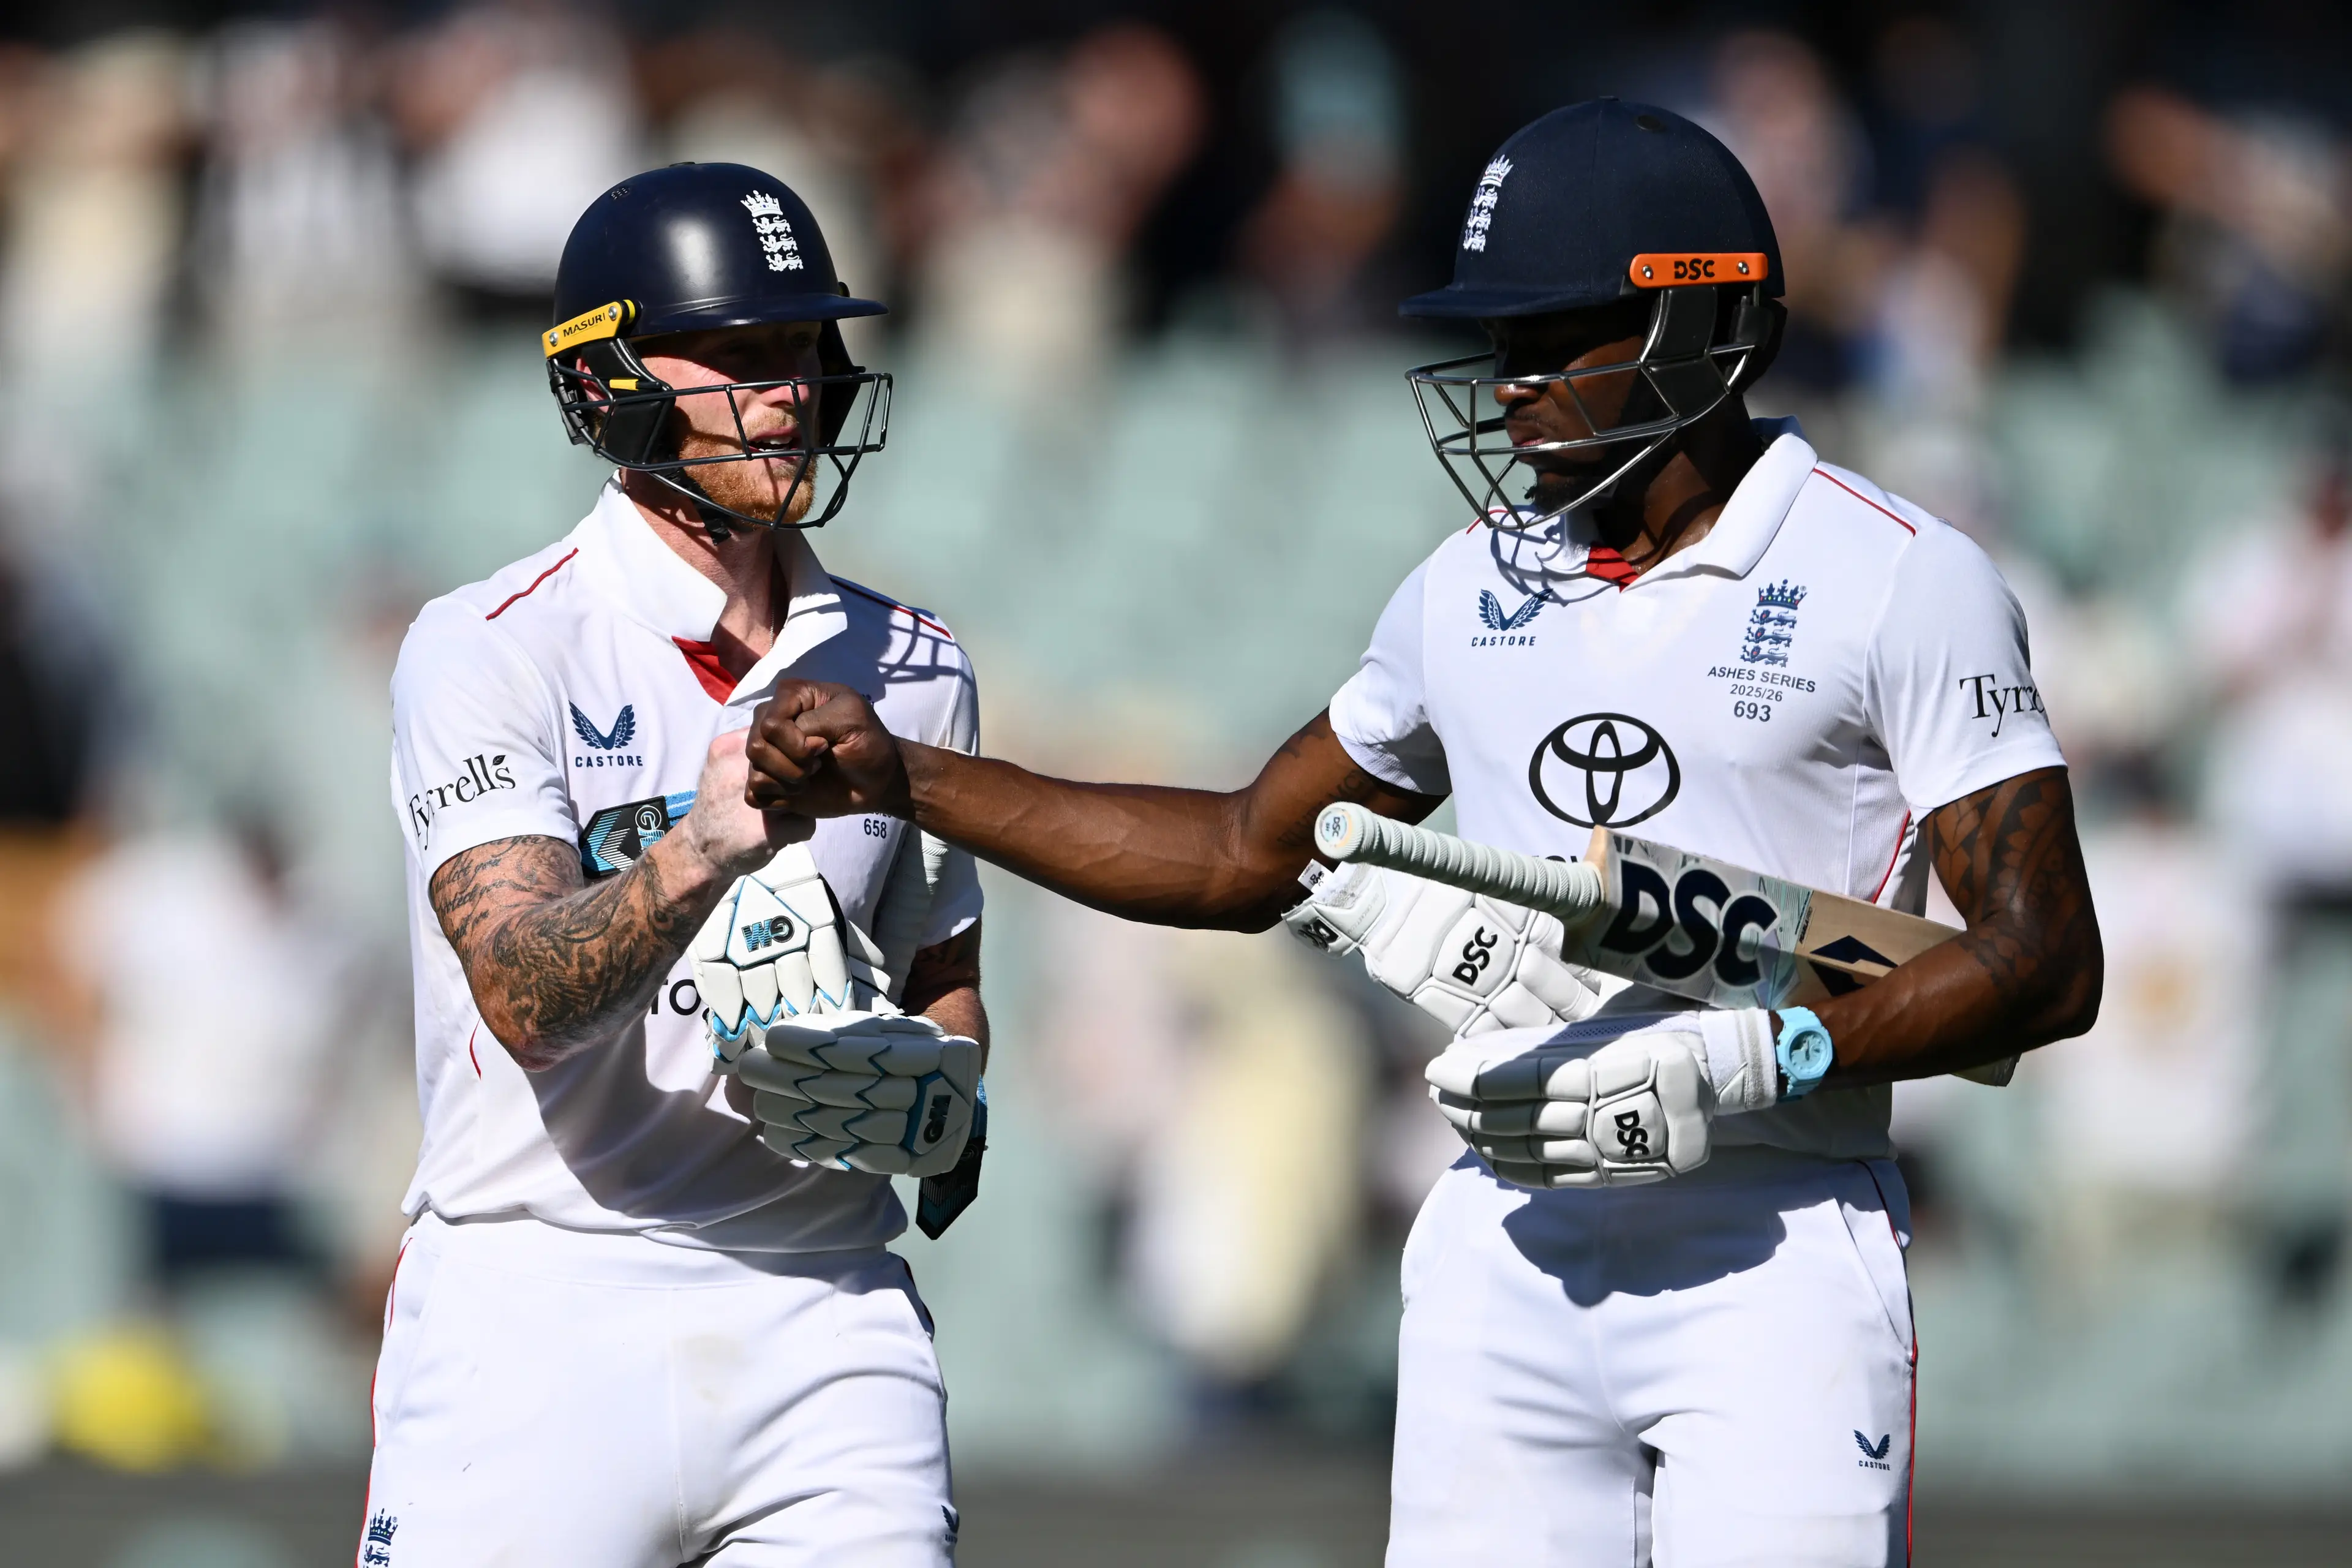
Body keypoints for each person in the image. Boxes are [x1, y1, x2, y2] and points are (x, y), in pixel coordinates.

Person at [742, 102, 2103, 1567]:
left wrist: (1750, 1056)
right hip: (1505, 1237)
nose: (1508, 383)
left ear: (1707, 322)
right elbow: (1240, 856)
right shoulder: (1468, 586)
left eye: (1555, 333)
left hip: (1773, 1242)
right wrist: (911, 779)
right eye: (1497, 340)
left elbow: (2044, 961)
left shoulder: (1898, 576)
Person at [361, 163, 985, 1567]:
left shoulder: (920, 664)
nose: (793, 392)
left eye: (811, 354)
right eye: (749, 355)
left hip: (829, 1314)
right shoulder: (490, 643)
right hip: (541, 1300)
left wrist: (946, 1095)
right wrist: (706, 843)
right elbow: (522, 990)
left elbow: (946, 966)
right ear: (609, 381)